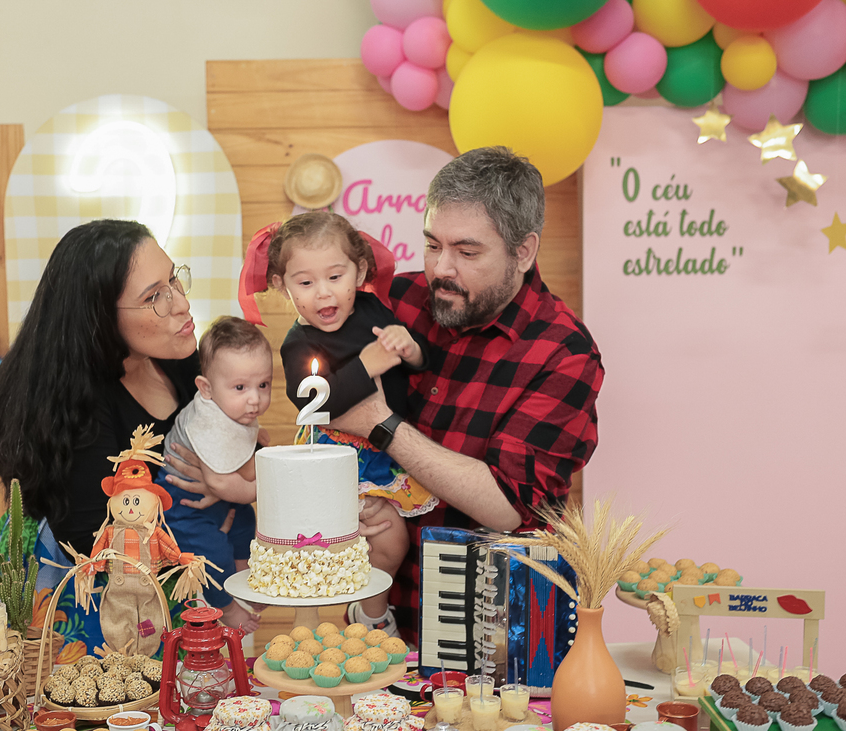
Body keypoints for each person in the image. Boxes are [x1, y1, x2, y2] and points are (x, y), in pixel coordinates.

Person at [330, 146, 605, 645]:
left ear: (523, 251)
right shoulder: (395, 303)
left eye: (467, 252)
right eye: (432, 244)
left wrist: (380, 423)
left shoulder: (564, 351)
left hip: (491, 633)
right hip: (372, 615)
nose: (441, 268)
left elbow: (506, 505)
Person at [0, 219, 203, 658]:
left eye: (174, 279)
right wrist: (202, 506)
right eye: (154, 297)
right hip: (92, 599)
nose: (181, 303)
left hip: (164, 573)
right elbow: (91, 538)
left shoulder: (178, 356)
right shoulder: (76, 407)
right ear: (100, 316)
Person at [236, 210, 438, 636]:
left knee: (395, 543)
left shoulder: (372, 309)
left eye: (335, 277)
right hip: (335, 460)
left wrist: (410, 348)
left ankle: (368, 615)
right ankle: (372, 620)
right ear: (282, 286)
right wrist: (368, 364)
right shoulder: (298, 343)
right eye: (305, 283)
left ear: (359, 271)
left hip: (387, 451)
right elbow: (314, 403)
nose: (324, 293)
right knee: (385, 539)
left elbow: (419, 364)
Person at [153, 316, 274, 633]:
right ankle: (227, 607)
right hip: (180, 502)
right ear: (206, 389)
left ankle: (245, 578)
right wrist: (267, 487)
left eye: (263, 385)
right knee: (212, 551)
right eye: (240, 387)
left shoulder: (232, 406)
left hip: (217, 492)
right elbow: (221, 482)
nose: (254, 398)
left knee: (245, 522)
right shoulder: (208, 423)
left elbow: (239, 453)